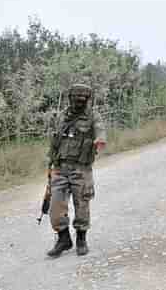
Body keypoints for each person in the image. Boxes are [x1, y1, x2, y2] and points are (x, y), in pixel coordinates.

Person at [46, 84, 107, 257]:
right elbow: (55, 138)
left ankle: (81, 239)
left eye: (83, 97)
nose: (79, 100)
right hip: (60, 168)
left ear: (88, 99)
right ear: (70, 97)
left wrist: (100, 140)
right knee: (55, 208)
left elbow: (100, 129)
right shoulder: (63, 116)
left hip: (81, 169)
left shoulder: (93, 116)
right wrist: (51, 163)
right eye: (76, 96)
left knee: (82, 206)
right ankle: (64, 239)